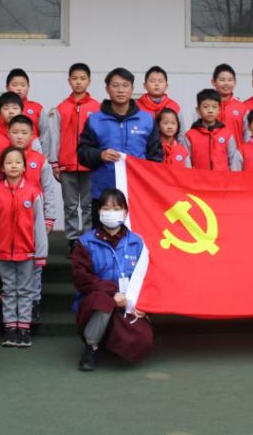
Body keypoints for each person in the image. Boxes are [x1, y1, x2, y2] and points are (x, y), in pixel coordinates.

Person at [72, 188, 152, 371]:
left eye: (117, 208)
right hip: (96, 301)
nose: (111, 213)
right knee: (102, 301)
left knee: (142, 340)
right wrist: (112, 293)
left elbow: (148, 277)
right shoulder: (85, 242)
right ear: (99, 211)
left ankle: (110, 341)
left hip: (128, 303)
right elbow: (81, 278)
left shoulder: (137, 243)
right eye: (106, 208)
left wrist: (140, 303)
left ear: (125, 212)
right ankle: (92, 347)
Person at [0, 147, 46, 348]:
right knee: (7, 289)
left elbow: (39, 225)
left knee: (25, 290)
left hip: (28, 251)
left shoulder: (33, 192)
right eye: (8, 162)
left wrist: (41, 252)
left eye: (17, 162)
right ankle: (10, 328)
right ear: (2, 168)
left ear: (24, 167)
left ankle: (23, 329)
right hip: (2, 250)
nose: (13, 166)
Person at [78, 67, 163, 214]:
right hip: (103, 194)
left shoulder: (147, 120)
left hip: (138, 192)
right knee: (103, 229)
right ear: (107, 89)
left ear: (132, 89)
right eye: (115, 86)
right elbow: (82, 154)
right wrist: (100, 155)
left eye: (125, 85)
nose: (120, 90)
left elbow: (156, 158)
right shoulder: (94, 120)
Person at [42, 62, 101, 254]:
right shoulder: (61, 108)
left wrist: (99, 160)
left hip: (90, 165)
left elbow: (100, 137)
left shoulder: (97, 108)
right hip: (67, 165)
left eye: (82, 78)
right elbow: (54, 136)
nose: (78, 82)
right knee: (70, 205)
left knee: (88, 205)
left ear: (89, 81)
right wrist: (54, 162)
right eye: (75, 78)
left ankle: (87, 238)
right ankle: (73, 240)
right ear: (69, 81)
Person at [0, 68, 44, 137]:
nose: (19, 89)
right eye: (14, 85)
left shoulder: (37, 108)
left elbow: (45, 136)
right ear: (7, 87)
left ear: (28, 87)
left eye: (23, 85)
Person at [183, 89, 233, 171]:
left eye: (214, 107)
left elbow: (233, 160)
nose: (210, 111)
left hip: (222, 178)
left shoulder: (227, 134)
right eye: (205, 107)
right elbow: (186, 160)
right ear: (198, 110)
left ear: (219, 110)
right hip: (199, 178)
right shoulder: (190, 135)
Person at [136, 66, 186, 136]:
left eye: (160, 81)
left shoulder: (174, 107)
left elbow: (181, 135)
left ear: (166, 86)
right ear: (145, 85)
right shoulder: (136, 107)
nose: (156, 84)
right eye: (152, 81)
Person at [212, 63, 247, 148]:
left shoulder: (243, 108)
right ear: (213, 82)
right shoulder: (205, 106)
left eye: (230, 80)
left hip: (236, 154)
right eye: (222, 80)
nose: (226, 83)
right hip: (212, 154)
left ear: (235, 82)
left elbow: (247, 136)